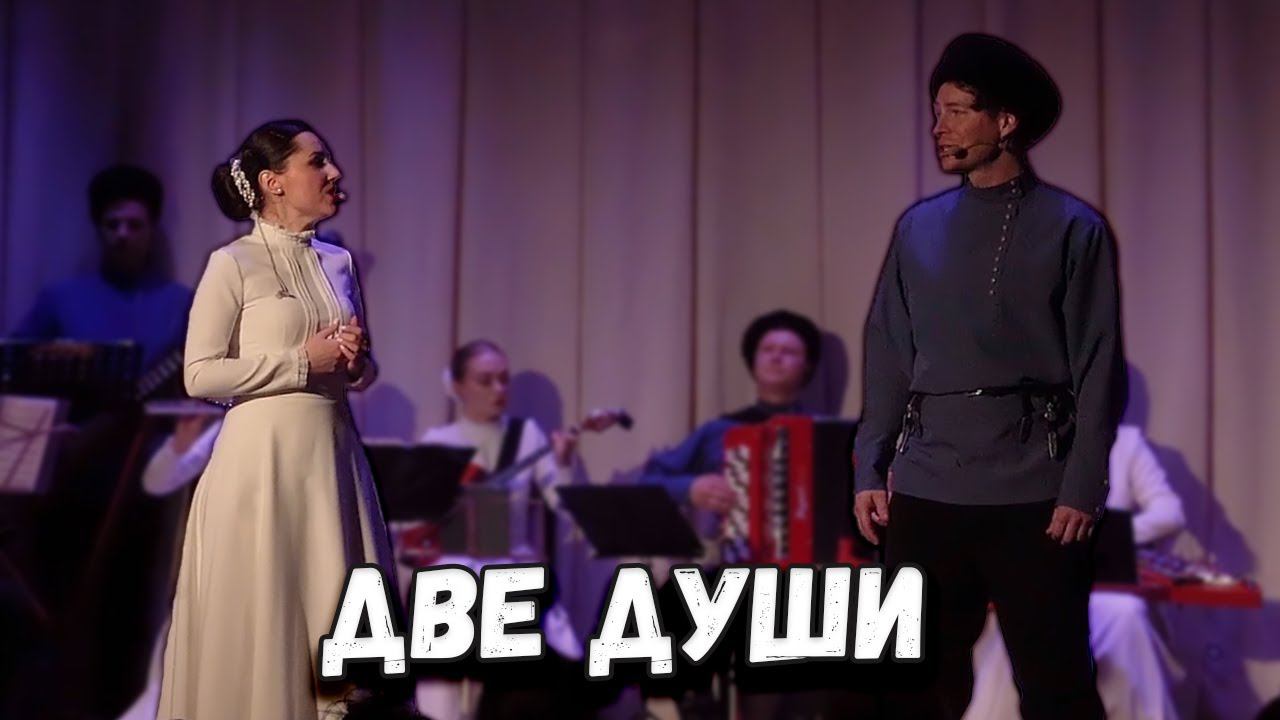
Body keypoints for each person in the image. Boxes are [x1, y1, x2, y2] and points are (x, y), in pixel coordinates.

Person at [852, 33, 1127, 719]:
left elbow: (1098, 361)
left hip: (1035, 490)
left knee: (1056, 684)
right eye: (936, 111)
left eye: (957, 111)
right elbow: (887, 350)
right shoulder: (918, 228)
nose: (938, 128)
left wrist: (1083, 484)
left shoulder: (1072, 227)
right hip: (929, 483)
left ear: (1005, 122)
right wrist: (868, 467)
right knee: (909, 681)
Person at [157, 119, 397, 719]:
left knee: (334, 603)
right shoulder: (232, 263)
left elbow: (358, 372)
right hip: (259, 467)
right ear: (274, 182)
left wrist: (356, 362)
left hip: (331, 461)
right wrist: (299, 361)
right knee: (266, 609)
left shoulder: (339, 263)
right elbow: (200, 375)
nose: (334, 172)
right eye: (317, 162)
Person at [639, 309, 864, 719]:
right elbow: (648, 480)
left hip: (810, 581)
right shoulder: (717, 431)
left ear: (807, 366)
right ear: (753, 361)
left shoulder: (836, 437)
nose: (776, 357)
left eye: (789, 352)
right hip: (734, 574)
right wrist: (691, 487)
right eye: (768, 349)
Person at [398, 339, 585, 720]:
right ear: (458, 386)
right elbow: (413, 522)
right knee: (440, 652)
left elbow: (562, 503)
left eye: (503, 379)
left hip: (509, 570)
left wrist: (563, 462)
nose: (498, 389)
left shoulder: (526, 435)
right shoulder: (439, 442)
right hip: (452, 571)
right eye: (485, 381)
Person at [966, 424, 1186, 719]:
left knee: (1127, 616)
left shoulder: (1125, 442)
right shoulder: (1020, 434)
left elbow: (1169, 512)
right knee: (1022, 624)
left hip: (1102, 588)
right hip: (1031, 584)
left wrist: (1106, 535)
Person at [11, 164, 191, 368]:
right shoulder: (60, 299)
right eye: (113, 224)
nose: (122, 234)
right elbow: (13, 358)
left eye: (134, 225)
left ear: (152, 230)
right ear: (98, 229)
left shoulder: (182, 304)